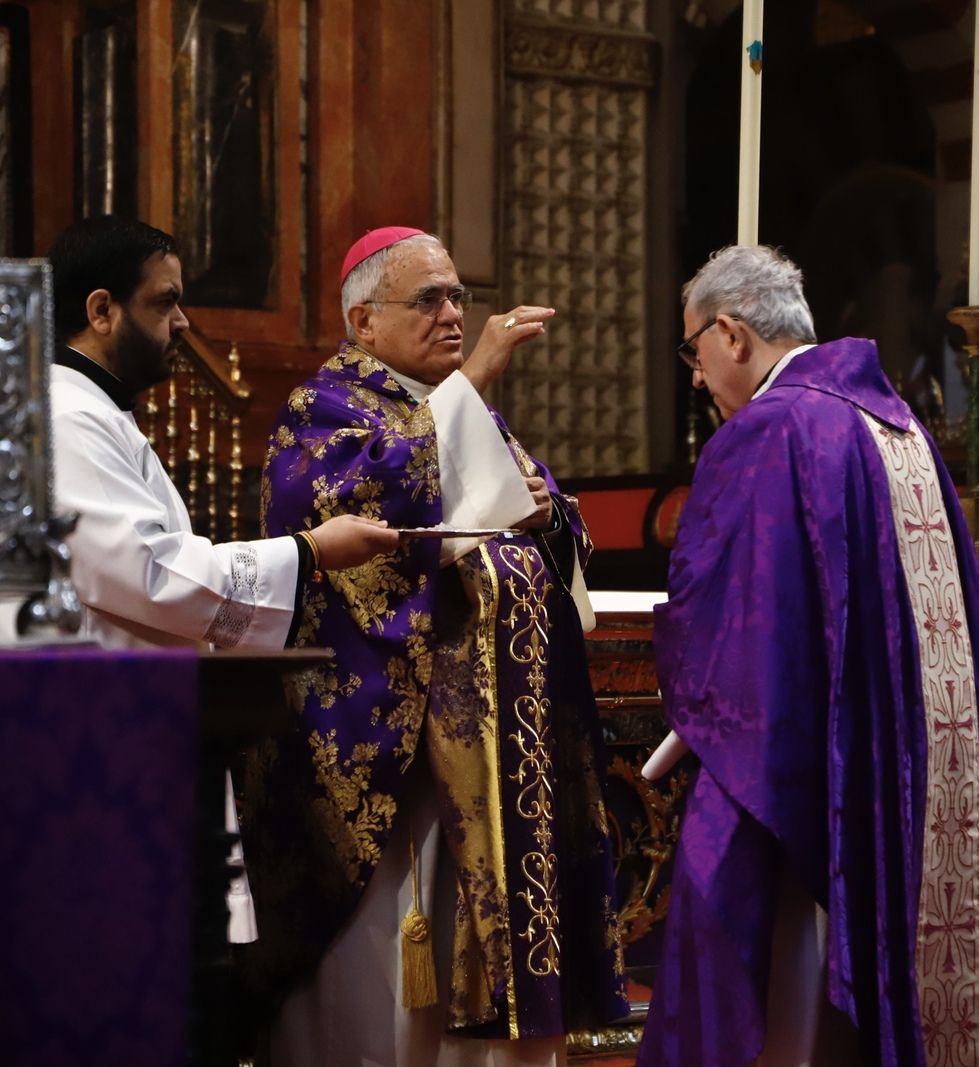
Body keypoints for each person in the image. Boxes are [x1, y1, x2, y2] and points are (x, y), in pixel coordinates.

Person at [638, 245, 979, 1067]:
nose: (696, 377)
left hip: (820, 775)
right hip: (911, 765)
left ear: (731, 332)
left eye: (694, 352)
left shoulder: (770, 428)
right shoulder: (895, 422)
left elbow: (731, 627)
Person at [247, 227, 627, 1065]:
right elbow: (346, 531)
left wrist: (547, 513)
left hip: (493, 757)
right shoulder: (322, 410)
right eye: (430, 299)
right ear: (363, 320)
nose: (455, 314)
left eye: (459, 295)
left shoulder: (462, 409)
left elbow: (545, 528)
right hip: (395, 754)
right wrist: (476, 379)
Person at [44, 214, 400, 944]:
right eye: (165, 302)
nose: (182, 323)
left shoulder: (102, 414)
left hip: (147, 723)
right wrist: (308, 552)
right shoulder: (64, 417)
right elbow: (146, 573)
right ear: (101, 309)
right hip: (99, 739)